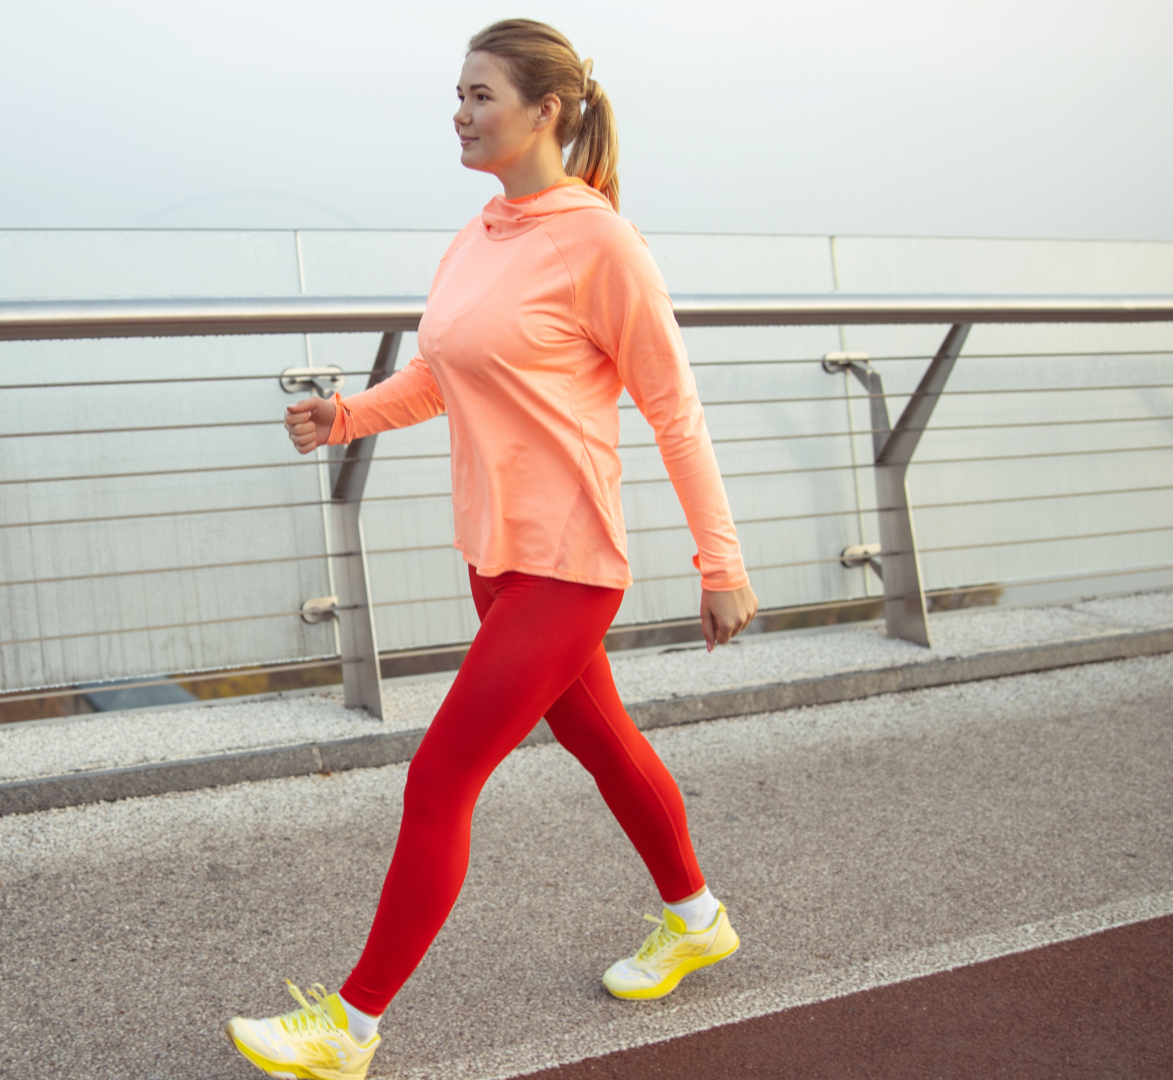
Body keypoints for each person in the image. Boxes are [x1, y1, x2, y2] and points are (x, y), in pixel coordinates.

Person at [224, 18, 759, 1079]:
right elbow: (441, 373)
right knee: (604, 743)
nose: (460, 114)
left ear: (546, 111)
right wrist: (345, 416)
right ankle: (695, 917)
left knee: (440, 778)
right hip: (496, 556)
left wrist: (722, 564)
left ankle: (351, 1025)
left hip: (568, 565)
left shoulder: (603, 243)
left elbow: (675, 410)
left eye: (480, 96)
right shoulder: (478, 237)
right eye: (457, 96)